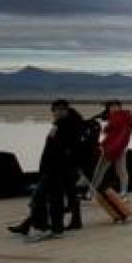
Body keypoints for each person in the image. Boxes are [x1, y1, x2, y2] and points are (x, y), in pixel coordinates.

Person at [9, 99, 86, 240]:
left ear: (67, 111)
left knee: (39, 199)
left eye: (61, 109)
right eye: (55, 109)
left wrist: (55, 167)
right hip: (56, 170)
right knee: (55, 200)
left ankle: (41, 227)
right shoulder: (63, 126)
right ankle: (56, 229)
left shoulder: (66, 128)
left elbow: (61, 151)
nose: (58, 112)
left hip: (55, 170)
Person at [90, 100, 132, 198]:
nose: (114, 109)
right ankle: (122, 191)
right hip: (114, 147)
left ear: (119, 107)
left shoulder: (123, 118)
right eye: (112, 107)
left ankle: (93, 191)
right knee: (103, 170)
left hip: (115, 148)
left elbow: (118, 132)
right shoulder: (116, 117)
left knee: (109, 170)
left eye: (116, 106)